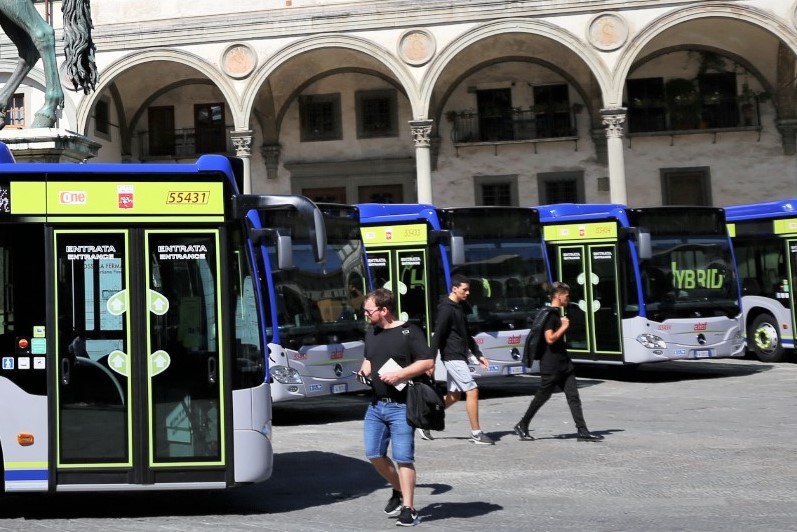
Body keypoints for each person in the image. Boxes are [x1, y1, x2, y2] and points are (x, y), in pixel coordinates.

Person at [357, 288, 435, 527]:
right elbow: (369, 358)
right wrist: (363, 372)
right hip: (376, 406)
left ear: (384, 310)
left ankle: (409, 509)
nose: (366, 315)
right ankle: (398, 490)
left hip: (402, 406)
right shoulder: (372, 332)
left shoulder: (409, 331)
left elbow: (427, 361)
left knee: (403, 458)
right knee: (374, 454)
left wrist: (400, 374)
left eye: (369, 311)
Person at [513, 282, 604, 442]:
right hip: (551, 364)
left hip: (564, 362)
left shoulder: (553, 313)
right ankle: (522, 424)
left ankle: (582, 431)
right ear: (559, 296)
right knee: (542, 396)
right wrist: (564, 326)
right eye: (567, 296)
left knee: (573, 396)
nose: (568, 299)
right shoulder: (550, 315)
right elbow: (550, 339)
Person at [424, 274, 494, 445]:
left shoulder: (459, 306)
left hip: (459, 355)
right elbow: (438, 335)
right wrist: (430, 360)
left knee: (454, 396)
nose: (468, 292)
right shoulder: (447, 309)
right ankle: (476, 434)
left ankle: (424, 420)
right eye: (465, 289)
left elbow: (466, 334)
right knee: (472, 391)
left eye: (468, 289)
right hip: (452, 356)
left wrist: (479, 355)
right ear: (454, 288)